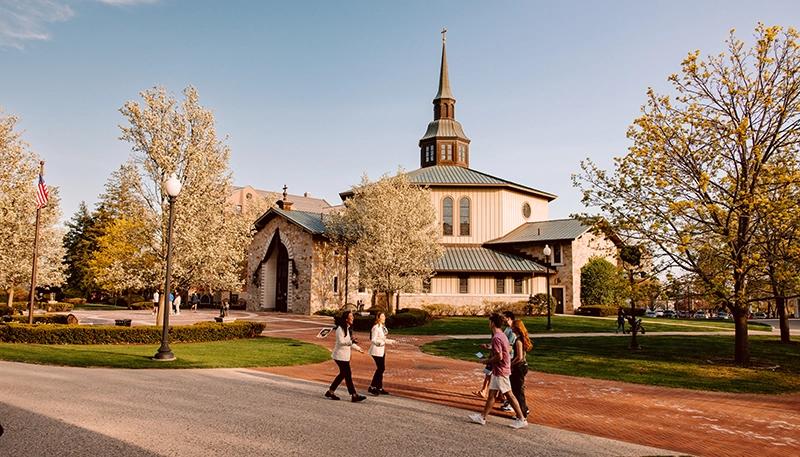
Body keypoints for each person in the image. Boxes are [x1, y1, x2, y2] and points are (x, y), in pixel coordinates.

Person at [468, 313, 528, 429]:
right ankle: (482, 417)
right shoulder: (502, 335)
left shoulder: (496, 337)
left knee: (509, 394)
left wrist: (487, 361)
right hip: (499, 369)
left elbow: (499, 356)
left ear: (492, 323)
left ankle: (521, 418)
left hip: (501, 370)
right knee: (492, 395)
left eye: (489, 322)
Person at [325, 311, 367, 403]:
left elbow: (349, 342)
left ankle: (330, 391)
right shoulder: (340, 329)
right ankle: (354, 395)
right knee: (347, 375)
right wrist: (351, 342)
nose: (353, 318)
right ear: (346, 319)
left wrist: (358, 348)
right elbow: (341, 342)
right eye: (351, 316)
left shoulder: (348, 329)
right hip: (339, 355)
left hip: (345, 356)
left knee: (343, 374)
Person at [368, 312, 395, 396]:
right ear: (378, 318)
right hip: (376, 350)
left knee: (381, 369)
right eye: (382, 316)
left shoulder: (383, 327)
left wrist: (391, 341)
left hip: (382, 350)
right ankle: (372, 386)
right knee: (380, 368)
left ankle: (379, 387)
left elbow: (384, 339)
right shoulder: (376, 328)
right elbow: (373, 339)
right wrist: (378, 343)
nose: (384, 318)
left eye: (384, 316)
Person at [509, 320, 532, 420]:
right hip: (521, 366)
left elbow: (519, 357)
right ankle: (522, 410)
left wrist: (510, 364)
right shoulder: (520, 339)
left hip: (519, 367)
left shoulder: (518, 341)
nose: (511, 328)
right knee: (516, 390)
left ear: (517, 328)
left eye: (513, 326)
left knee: (518, 391)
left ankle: (522, 414)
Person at [499, 311, 517, 412]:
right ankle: (507, 400)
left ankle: (513, 405)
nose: (502, 319)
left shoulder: (513, 331)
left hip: (510, 358)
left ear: (509, 318)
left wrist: (501, 356)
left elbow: (510, 346)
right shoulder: (507, 329)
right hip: (506, 358)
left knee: (510, 381)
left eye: (503, 318)